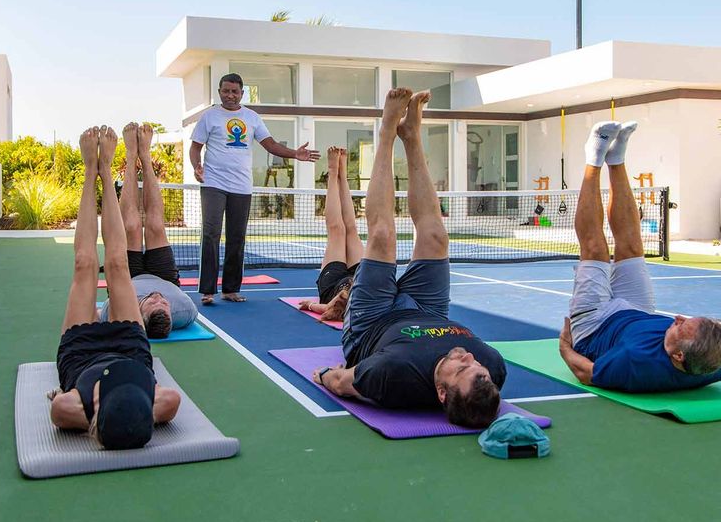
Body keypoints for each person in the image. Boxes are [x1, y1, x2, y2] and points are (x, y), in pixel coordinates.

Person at [311, 88, 507, 429]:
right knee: (436, 238)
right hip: (428, 309)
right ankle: (412, 136)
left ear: (442, 393)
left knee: (383, 237)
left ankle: (387, 132)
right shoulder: (493, 367)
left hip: (372, 323)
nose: (467, 355)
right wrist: (473, 368)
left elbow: (342, 382)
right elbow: (478, 366)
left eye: (461, 368)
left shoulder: (393, 376)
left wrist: (326, 375)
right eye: (476, 365)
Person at [558, 120, 721, 392]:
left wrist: (565, 347)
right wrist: (680, 331)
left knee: (595, 250)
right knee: (632, 247)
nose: (677, 317)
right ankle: (616, 159)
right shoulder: (716, 364)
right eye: (688, 320)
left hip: (595, 327)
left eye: (682, 327)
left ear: (678, 356)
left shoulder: (636, 364)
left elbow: (585, 373)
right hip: (638, 312)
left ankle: (593, 158)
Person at [48, 126, 181, 449]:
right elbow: (171, 399)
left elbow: (58, 406)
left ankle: (91, 169)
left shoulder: (70, 408)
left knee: (84, 264)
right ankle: (107, 172)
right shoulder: (159, 403)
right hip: (129, 347)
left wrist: (97, 409)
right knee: (119, 264)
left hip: (81, 354)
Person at [189, 73, 320, 305]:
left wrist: (294, 154)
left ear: (241, 93)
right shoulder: (209, 117)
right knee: (211, 234)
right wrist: (196, 166)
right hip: (213, 184)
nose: (230, 95)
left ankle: (230, 289)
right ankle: (207, 291)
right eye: (226, 91)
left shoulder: (252, 117)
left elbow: (269, 144)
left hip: (241, 186)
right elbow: (195, 147)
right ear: (219, 91)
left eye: (235, 91)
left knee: (237, 237)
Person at [97, 122, 197, 338]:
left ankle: (131, 154)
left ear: (140, 316)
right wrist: (160, 298)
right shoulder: (185, 312)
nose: (158, 297)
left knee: (131, 227)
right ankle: (145, 154)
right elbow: (167, 301)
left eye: (152, 302)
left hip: (126, 279)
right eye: (164, 303)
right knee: (155, 226)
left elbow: (99, 313)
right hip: (164, 277)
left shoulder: (121, 313)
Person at [297, 146, 362, 322]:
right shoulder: (377, 298)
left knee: (337, 230)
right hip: (359, 277)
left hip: (333, 285)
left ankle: (333, 173)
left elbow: (327, 308)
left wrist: (309, 305)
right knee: (351, 229)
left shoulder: (355, 308)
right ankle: (343, 174)